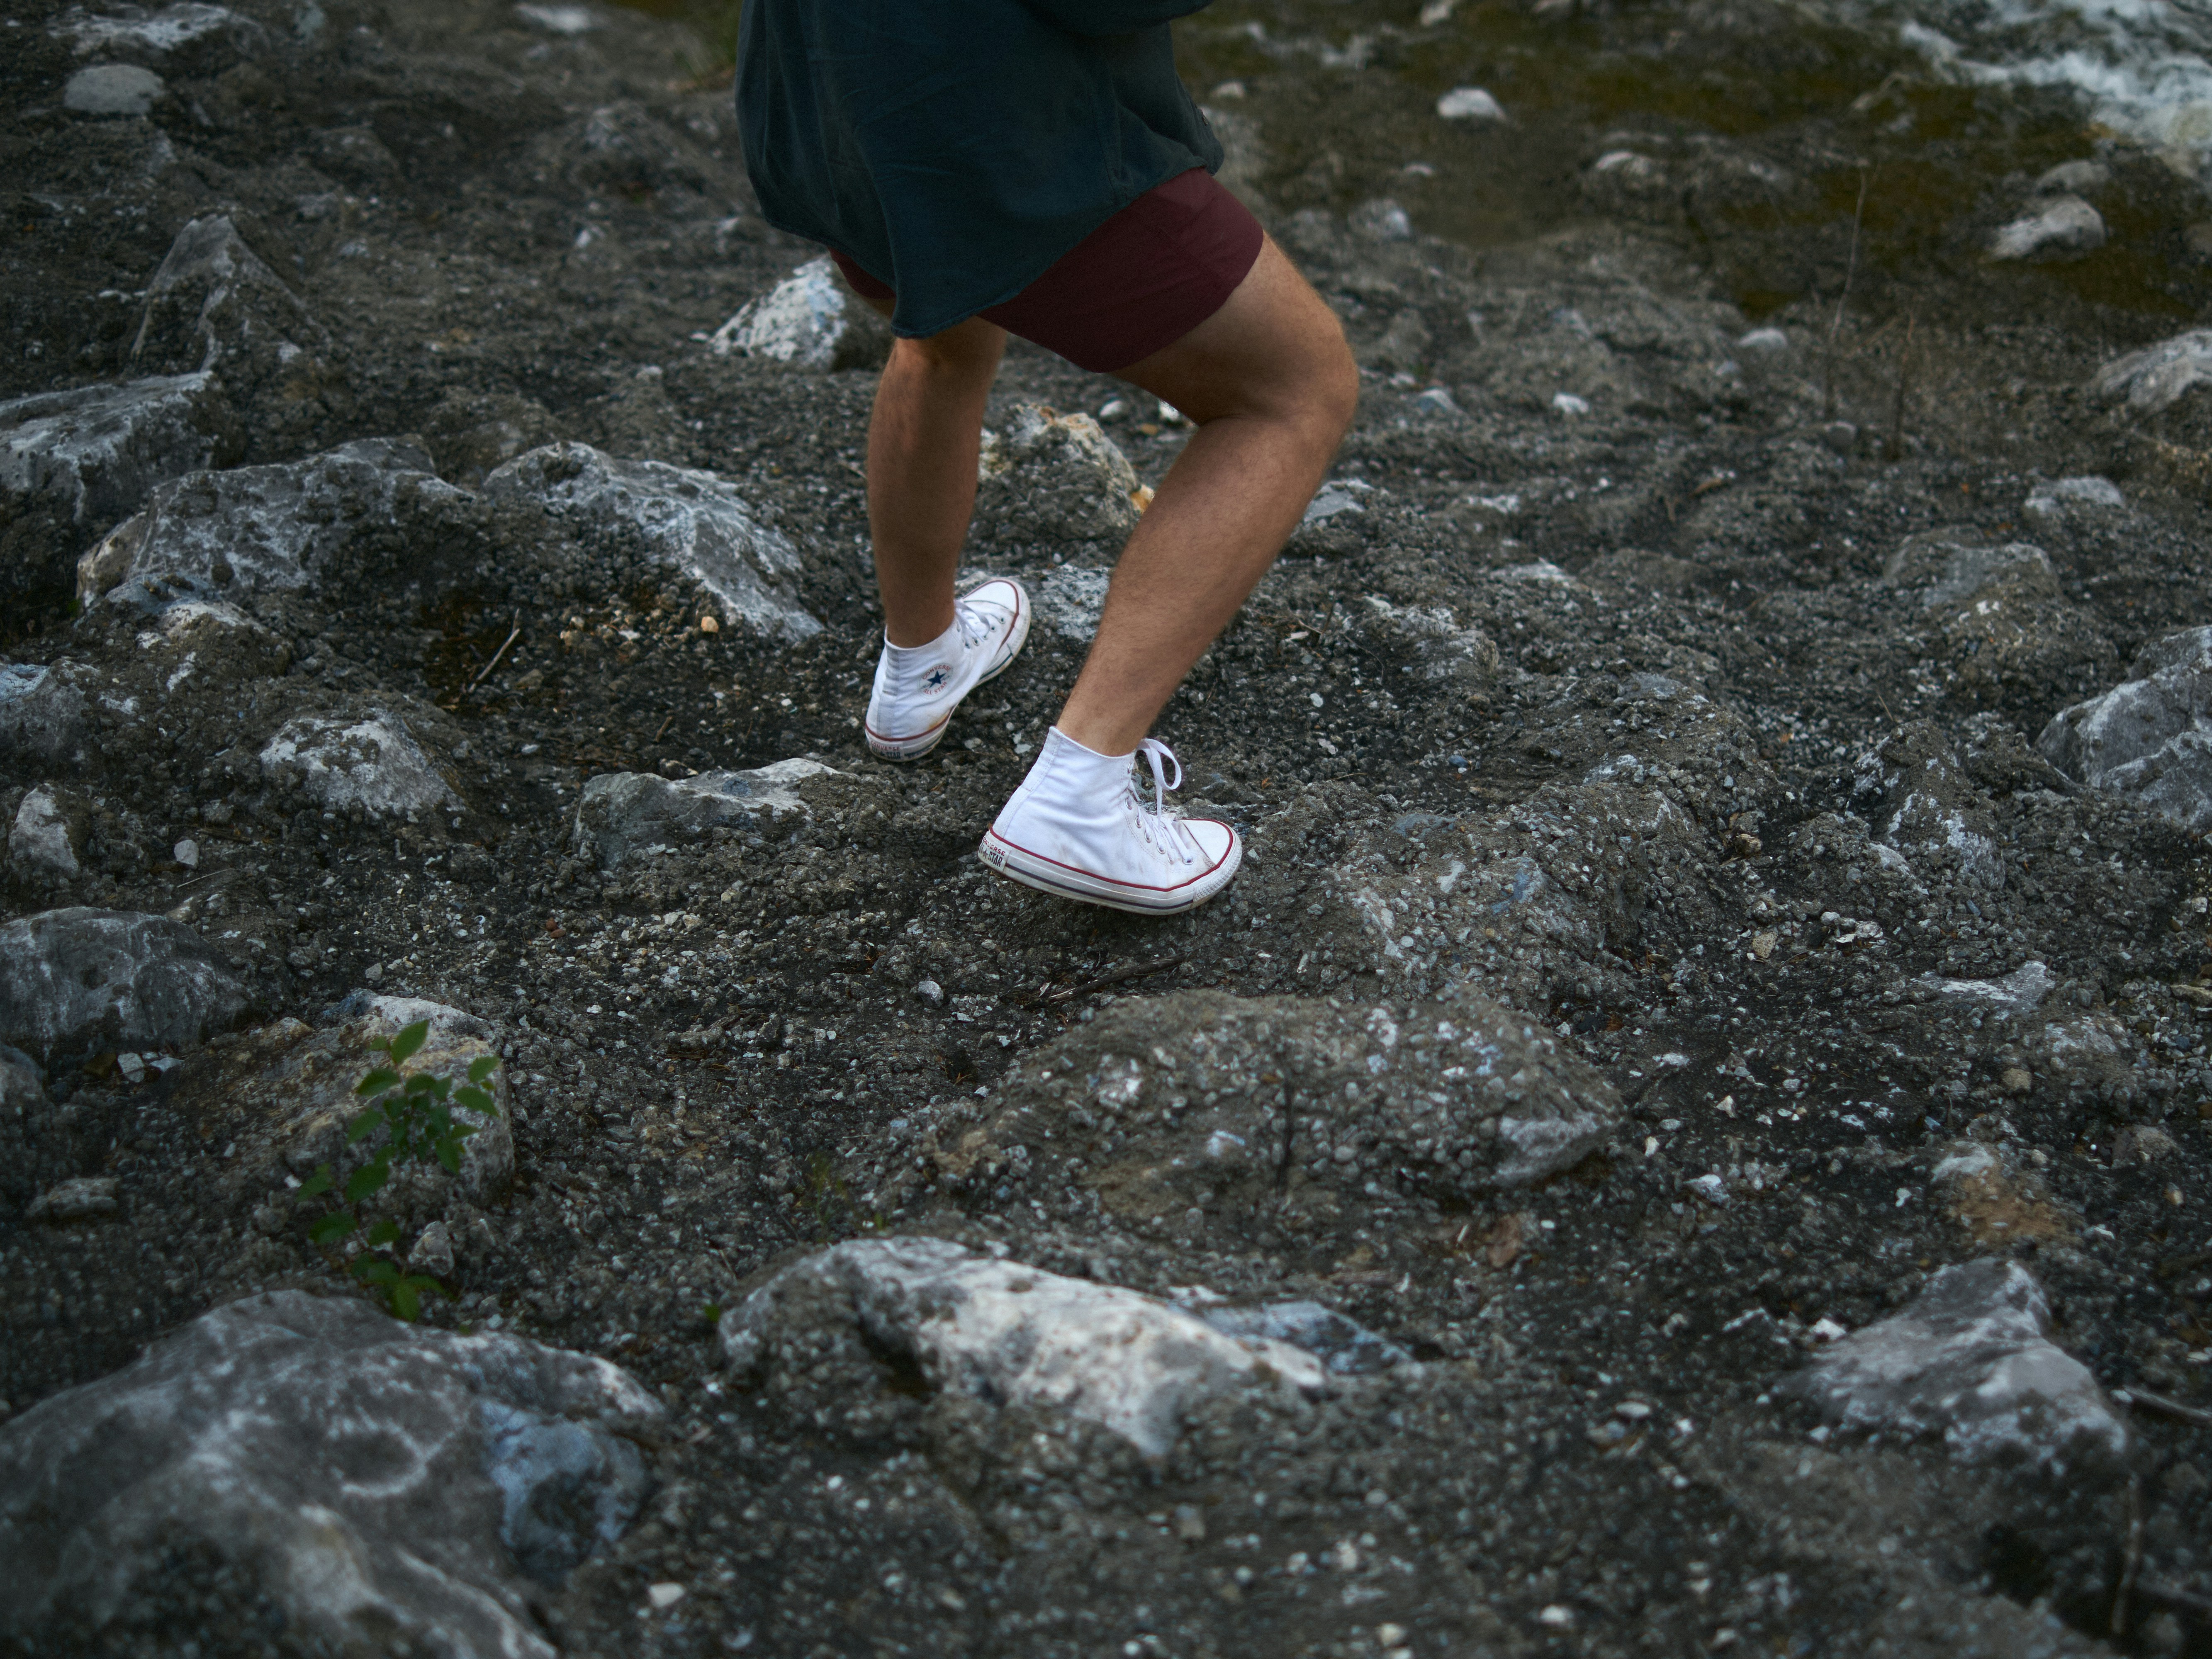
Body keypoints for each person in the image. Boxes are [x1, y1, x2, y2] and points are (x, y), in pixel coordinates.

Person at [737, 0, 1357, 915]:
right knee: (1293, 389)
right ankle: (1079, 794)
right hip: (991, 117)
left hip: (831, 94)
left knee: (943, 335)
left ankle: (922, 668)